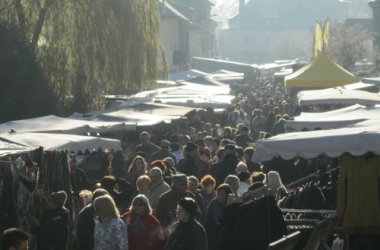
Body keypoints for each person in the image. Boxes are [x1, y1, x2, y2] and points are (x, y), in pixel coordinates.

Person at [205, 184, 233, 250]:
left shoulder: (232, 206)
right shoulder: (213, 203)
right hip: (212, 238)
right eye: (218, 194)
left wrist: (229, 207)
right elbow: (207, 221)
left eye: (222, 195)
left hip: (226, 239)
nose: (219, 197)